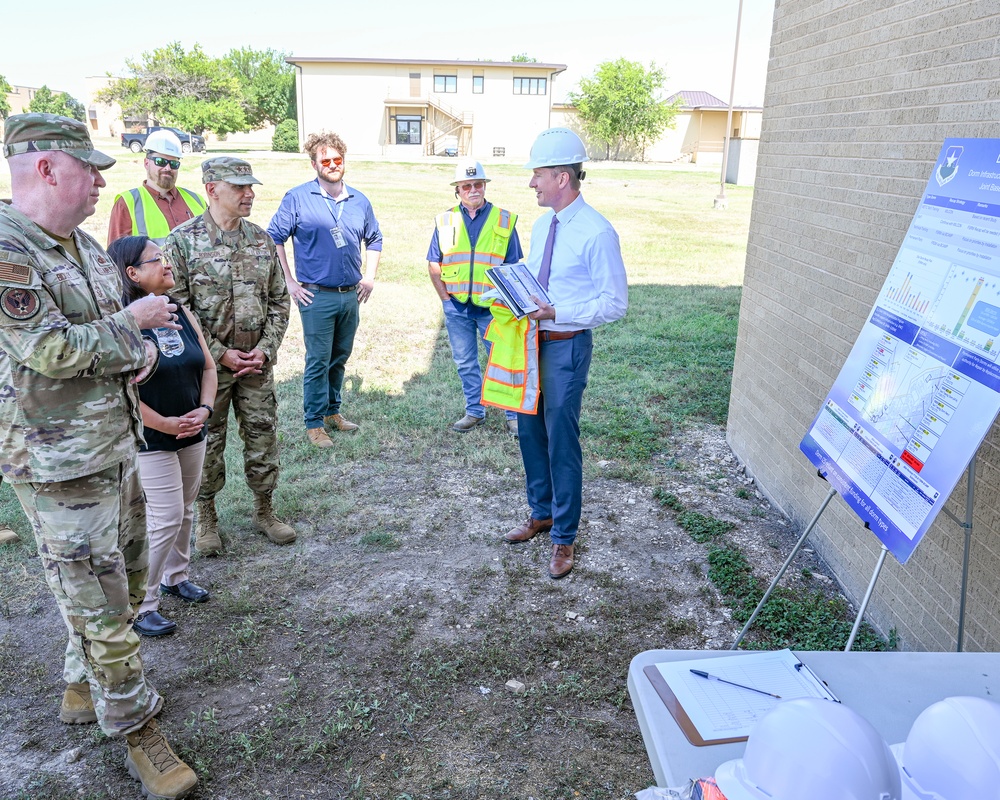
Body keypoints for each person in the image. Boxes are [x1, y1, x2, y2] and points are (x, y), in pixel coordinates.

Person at [0, 113, 196, 798]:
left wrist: (137, 351)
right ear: (48, 168)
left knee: (123, 573)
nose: (101, 182)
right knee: (105, 604)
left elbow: (114, 340)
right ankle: (138, 730)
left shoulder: (80, 245)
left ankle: (80, 686)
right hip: (55, 464)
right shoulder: (8, 248)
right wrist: (132, 327)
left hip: (113, 443)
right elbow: (49, 348)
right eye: (90, 169)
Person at [501, 128, 628, 579]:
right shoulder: (542, 225)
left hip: (566, 347)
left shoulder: (597, 232)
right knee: (528, 430)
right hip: (532, 343)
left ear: (561, 177)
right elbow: (538, 274)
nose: (531, 183)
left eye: (537, 175)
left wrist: (557, 312)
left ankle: (564, 537)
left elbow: (614, 303)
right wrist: (509, 292)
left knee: (560, 440)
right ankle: (541, 512)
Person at [163, 157, 294, 555]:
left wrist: (264, 350)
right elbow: (175, 307)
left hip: (256, 365)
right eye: (238, 187)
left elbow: (279, 301)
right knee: (208, 440)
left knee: (262, 436)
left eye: (250, 186)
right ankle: (207, 519)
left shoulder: (261, 240)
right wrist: (221, 355)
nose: (249, 193)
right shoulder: (181, 243)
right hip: (207, 370)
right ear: (212, 189)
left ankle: (264, 510)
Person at [109, 235, 218, 637]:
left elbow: (207, 367)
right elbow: (124, 394)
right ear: (133, 273)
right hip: (150, 438)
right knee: (166, 516)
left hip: (193, 427)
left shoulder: (183, 313)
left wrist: (204, 410)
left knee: (185, 508)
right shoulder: (123, 324)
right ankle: (143, 603)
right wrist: (168, 425)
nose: (168, 264)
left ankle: (177, 575)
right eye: (158, 259)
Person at [267, 131, 382, 448]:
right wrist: (290, 280)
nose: (332, 164)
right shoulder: (298, 197)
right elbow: (274, 237)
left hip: (350, 295)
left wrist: (369, 277)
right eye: (325, 160)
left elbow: (375, 239)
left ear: (344, 161)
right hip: (316, 295)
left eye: (337, 159)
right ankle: (314, 423)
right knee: (318, 359)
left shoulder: (359, 201)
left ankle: (333, 412)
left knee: (339, 357)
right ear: (314, 163)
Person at [427, 159, 523, 435]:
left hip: (493, 308)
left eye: (478, 184)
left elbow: (513, 267)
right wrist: (446, 299)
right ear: (457, 190)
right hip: (457, 306)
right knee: (465, 362)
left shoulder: (504, 220)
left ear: (485, 187)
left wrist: (507, 303)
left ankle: (512, 415)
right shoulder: (445, 221)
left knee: (502, 361)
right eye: (466, 186)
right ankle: (474, 411)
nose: (473, 190)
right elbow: (435, 264)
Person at [107, 129, 206, 246]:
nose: (168, 168)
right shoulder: (127, 203)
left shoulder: (197, 201)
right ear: (146, 163)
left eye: (174, 164)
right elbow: (116, 258)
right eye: (160, 161)